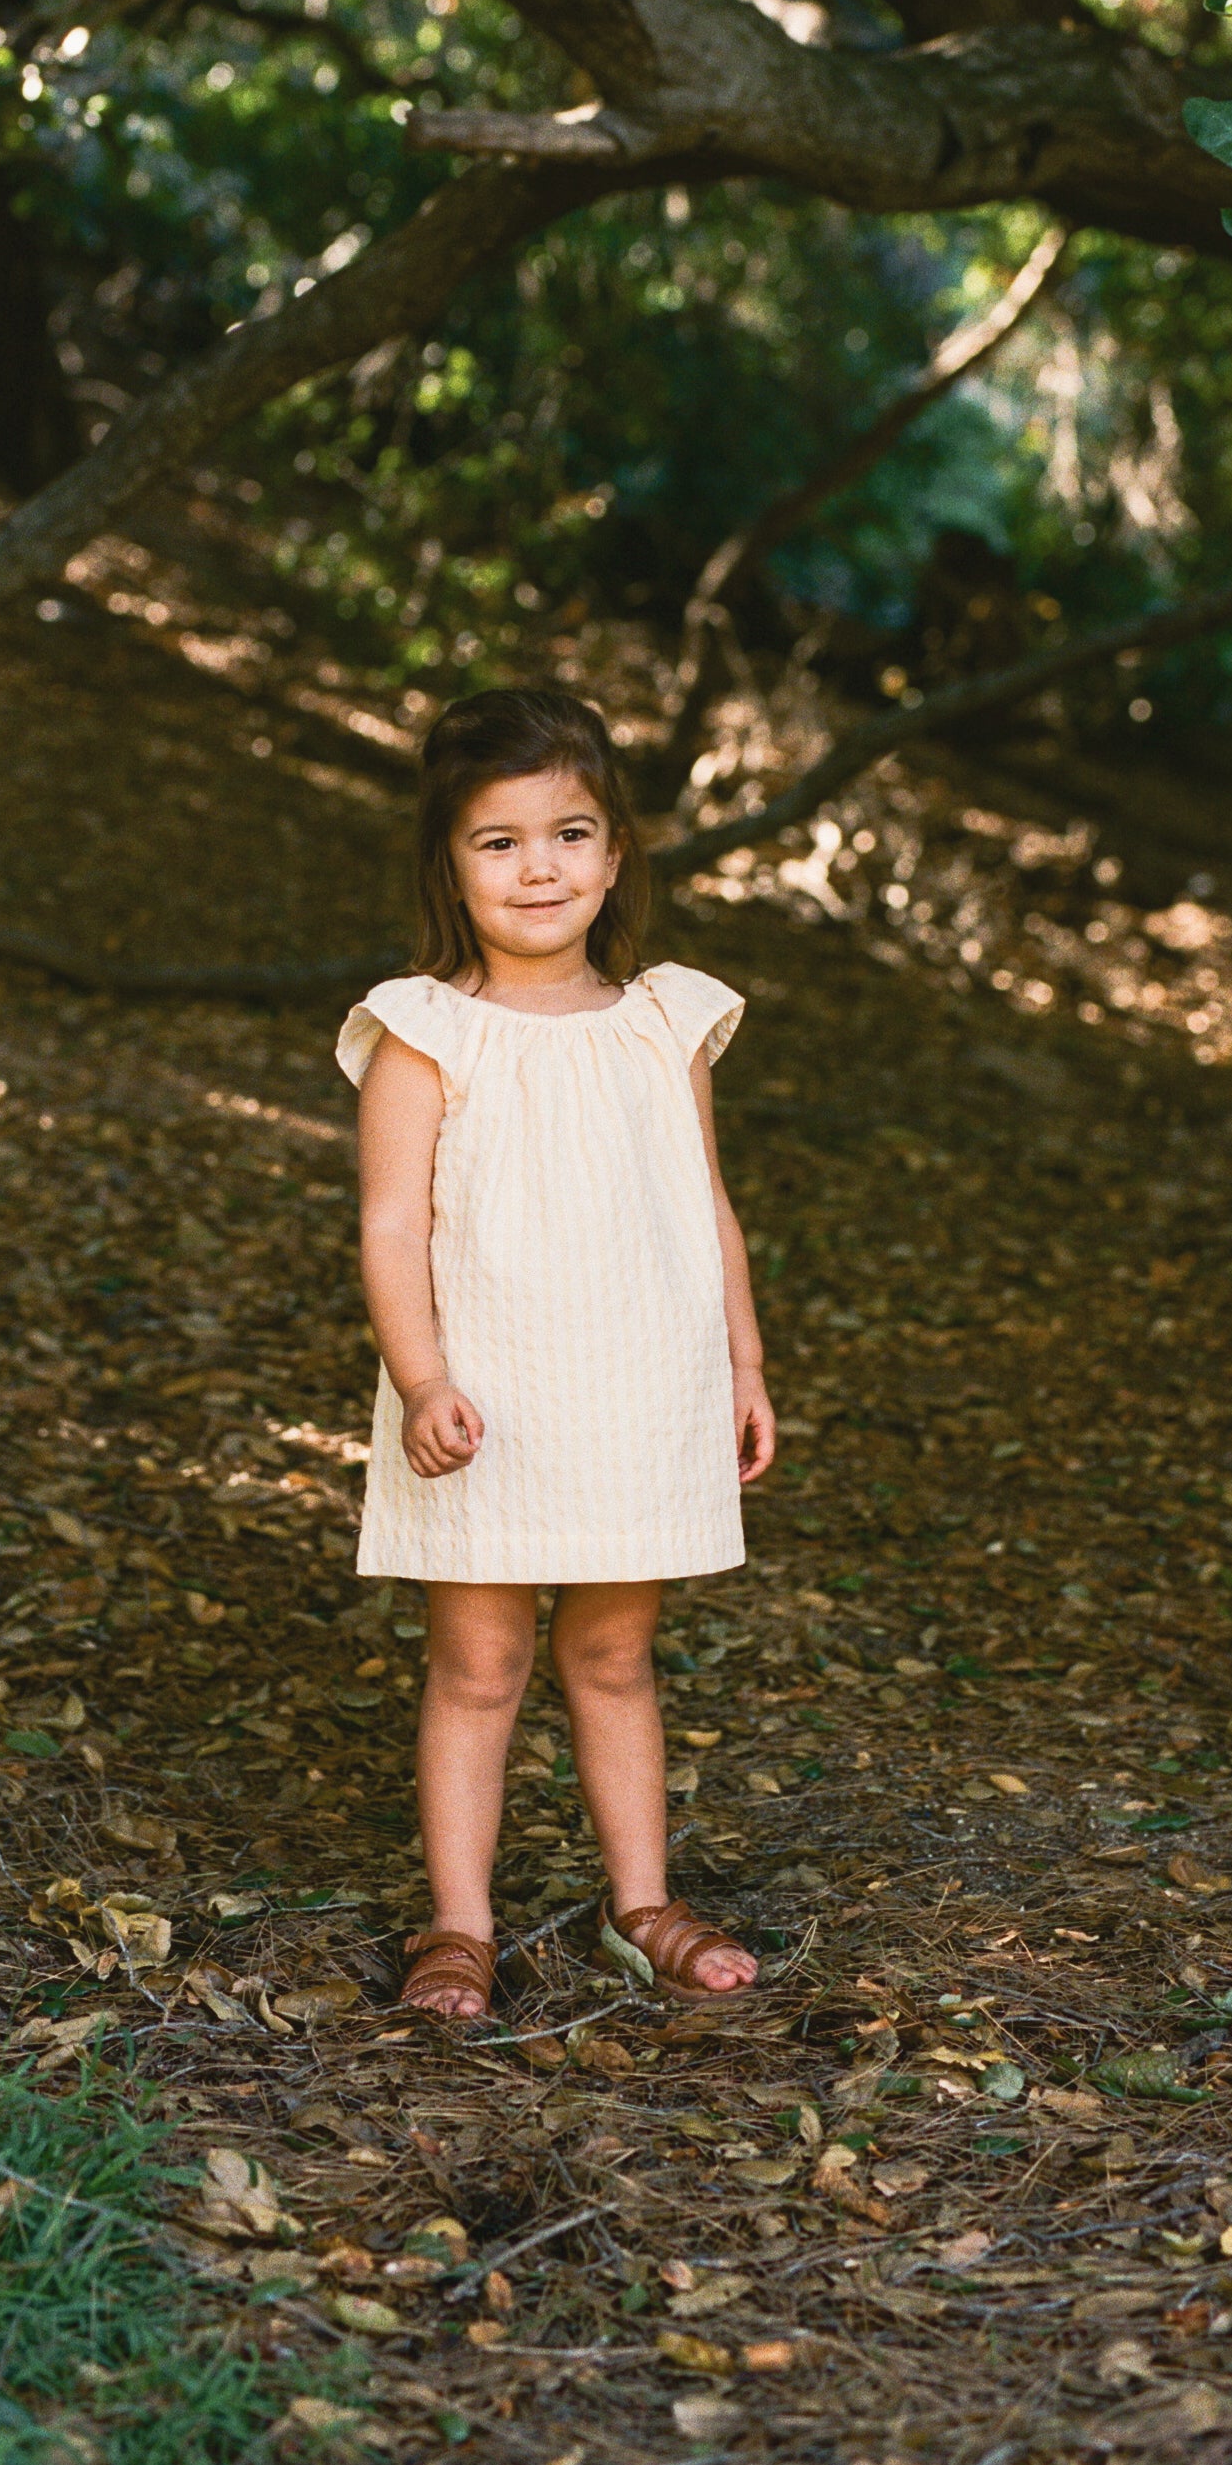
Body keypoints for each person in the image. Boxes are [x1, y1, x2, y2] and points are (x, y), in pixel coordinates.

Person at [337, 684, 776, 2020]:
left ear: (618, 850)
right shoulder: (428, 1028)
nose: (540, 866)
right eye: (499, 840)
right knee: (479, 1663)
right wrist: (422, 1379)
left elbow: (707, 1205)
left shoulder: (661, 1019)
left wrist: (744, 1366)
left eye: (570, 831)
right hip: (486, 1395)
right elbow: (390, 1219)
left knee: (614, 1655)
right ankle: (459, 1927)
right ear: (449, 868)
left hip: (637, 1387)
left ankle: (640, 1901)